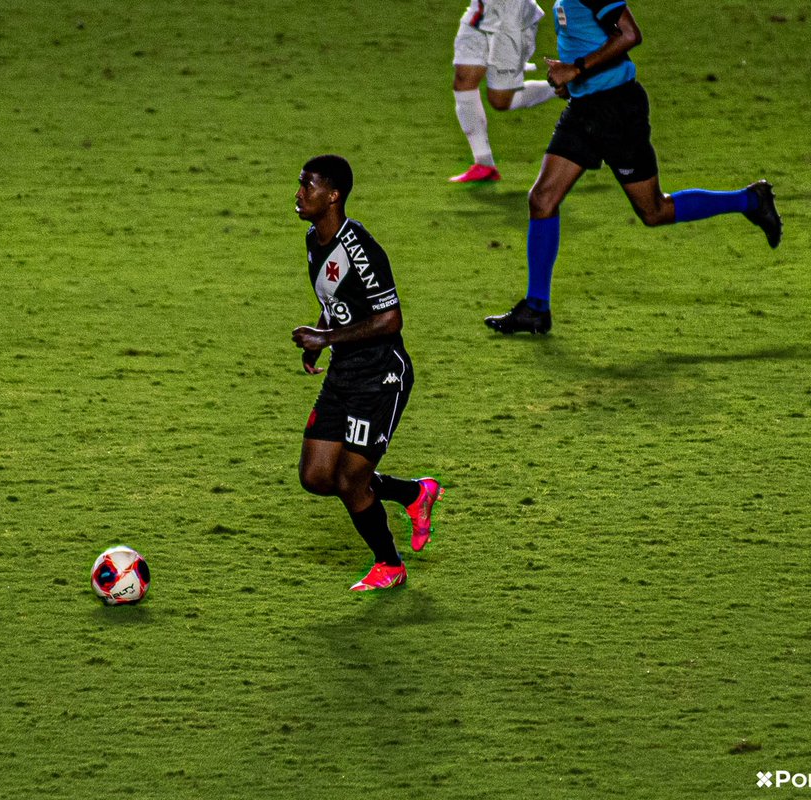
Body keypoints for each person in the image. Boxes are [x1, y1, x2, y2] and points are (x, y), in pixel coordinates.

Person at [484, 0, 783, 334]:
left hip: (617, 111)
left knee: (654, 211)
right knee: (542, 199)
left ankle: (751, 200)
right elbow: (589, 37)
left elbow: (629, 34)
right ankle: (536, 308)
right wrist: (571, 78)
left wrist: (576, 69)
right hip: (584, 110)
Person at [291, 155, 443, 592]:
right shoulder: (314, 238)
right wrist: (320, 334)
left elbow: (390, 319)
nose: (298, 194)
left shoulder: (360, 248)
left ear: (333, 195)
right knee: (316, 476)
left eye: (308, 186)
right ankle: (413, 494)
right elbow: (334, 300)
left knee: (349, 480)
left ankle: (389, 565)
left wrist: (327, 337)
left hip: (380, 377)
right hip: (344, 372)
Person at [450, 0, 561, 183]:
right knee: (463, 81)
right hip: (479, 16)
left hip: (512, 22)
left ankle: (564, 87)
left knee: (500, 100)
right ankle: (484, 164)